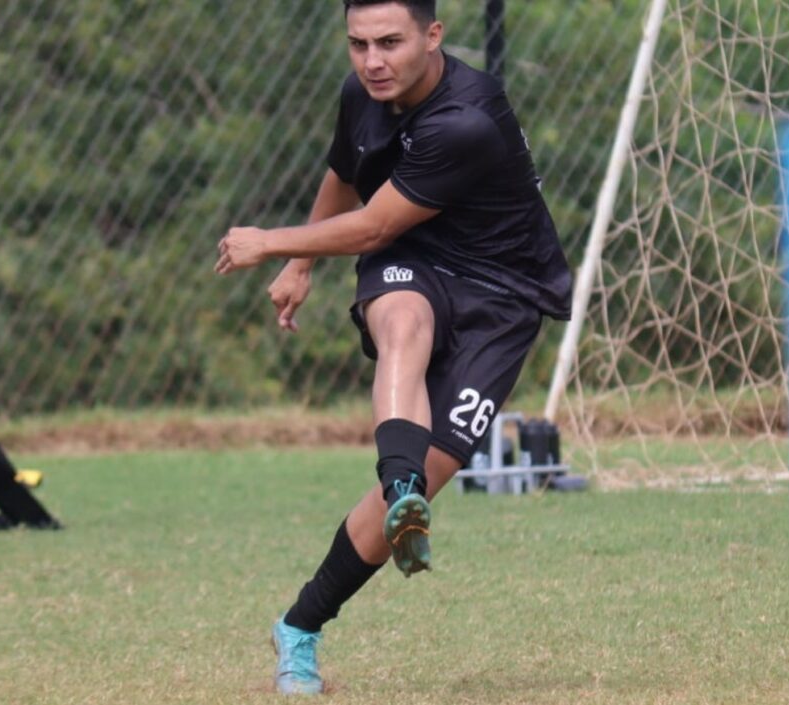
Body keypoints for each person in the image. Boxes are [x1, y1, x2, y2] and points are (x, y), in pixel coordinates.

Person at [215, 0, 571, 695]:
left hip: (502, 295)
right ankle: (400, 485)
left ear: (432, 36)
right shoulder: (363, 91)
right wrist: (302, 265)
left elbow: (373, 224)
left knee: (431, 472)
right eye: (357, 44)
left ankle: (299, 620)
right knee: (402, 323)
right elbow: (346, 173)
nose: (372, 61)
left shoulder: (467, 119)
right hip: (416, 258)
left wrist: (271, 242)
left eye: (389, 42)